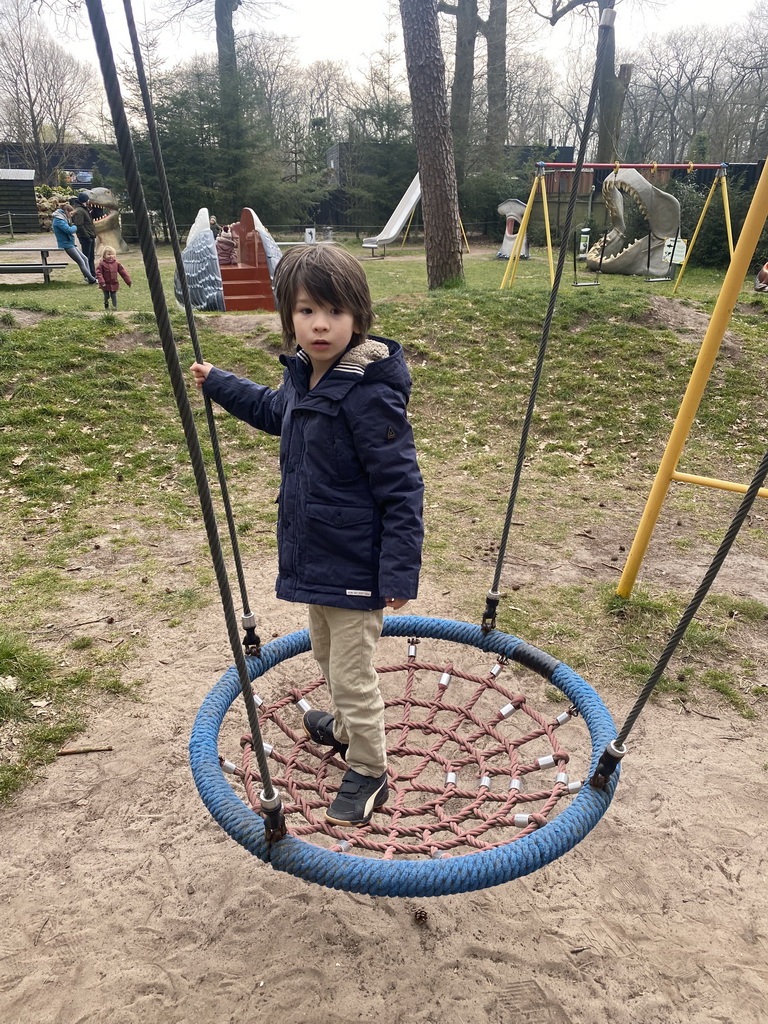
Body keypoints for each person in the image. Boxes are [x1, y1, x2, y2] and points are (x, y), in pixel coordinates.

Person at [190, 245, 424, 827]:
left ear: (359, 317)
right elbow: (277, 413)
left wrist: (398, 572)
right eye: (306, 311)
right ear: (288, 317)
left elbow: (402, 488)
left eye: (335, 312)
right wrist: (219, 383)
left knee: (351, 671)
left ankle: (370, 769)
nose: (320, 325)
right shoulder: (303, 373)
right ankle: (345, 729)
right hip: (317, 556)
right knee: (324, 652)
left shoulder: (369, 393)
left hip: (355, 565)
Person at [51, 202, 97, 283]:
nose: (71, 215)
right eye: (71, 213)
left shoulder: (62, 218)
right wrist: (76, 226)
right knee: (81, 261)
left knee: (85, 259)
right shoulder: (58, 220)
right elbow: (69, 230)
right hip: (66, 244)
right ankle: (92, 280)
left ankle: (88, 277)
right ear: (66, 211)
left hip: (71, 243)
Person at [70, 192, 97, 278]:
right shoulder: (79, 211)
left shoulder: (84, 209)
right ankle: (88, 275)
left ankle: (93, 274)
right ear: (85, 200)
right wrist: (87, 236)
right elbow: (79, 225)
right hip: (86, 237)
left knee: (91, 257)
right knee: (86, 257)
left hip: (90, 235)